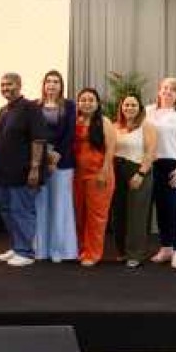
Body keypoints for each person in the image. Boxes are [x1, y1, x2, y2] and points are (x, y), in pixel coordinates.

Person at [0, 73, 47, 267]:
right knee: (6, 211)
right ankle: (16, 247)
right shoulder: (2, 110)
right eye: (3, 85)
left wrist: (35, 168)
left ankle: (26, 252)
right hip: (1, 173)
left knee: (21, 211)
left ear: (19, 85)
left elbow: (38, 139)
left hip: (22, 172)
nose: (6, 88)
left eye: (10, 84)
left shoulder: (31, 108)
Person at [146, 77, 176, 269]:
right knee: (161, 207)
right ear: (159, 90)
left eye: (173, 89)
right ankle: (166, 247)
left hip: (175, 165)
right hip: (154, 165)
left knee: (174, 206)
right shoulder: (149, 110)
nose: (168, 91)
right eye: (165, 88)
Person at [34, 70, 79, 262]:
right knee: (40, 205)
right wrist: (44, 158)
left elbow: (70, 134)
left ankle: (59, 251)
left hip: (63, 162)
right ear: (44, 85)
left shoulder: (69, 106)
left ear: (61, 86)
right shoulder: (35, 106)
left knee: (60, 206)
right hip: (39, 160)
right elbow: (33, 133)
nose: (51, 85)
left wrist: (55, 157)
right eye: (48, 81)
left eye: (56, 82)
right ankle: (41, 249)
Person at [111, 94, 157, 267]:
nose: (129, 108)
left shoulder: (147, 126)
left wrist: (141, 173)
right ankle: (122, 251)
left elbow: (151, 152)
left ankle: (135, 254)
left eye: (133, 105)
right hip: (117, 170)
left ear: (140, 108)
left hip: (137, 170)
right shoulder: (114, 126)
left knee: (137, 214)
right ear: (121, 107)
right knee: (118, 212)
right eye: (126, 105)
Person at [73, 88, 117, 267]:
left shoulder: (104, 122)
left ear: (97, 103)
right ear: (78, 103)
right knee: (79, 215)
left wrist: (104, 172)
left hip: (98, 175)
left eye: (91, 100)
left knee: (96, 217)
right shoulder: (75, 121)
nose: (87, 103)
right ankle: (81, 250)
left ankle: (93, 253)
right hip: (77, 175)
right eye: (83, 100)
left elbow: (111, 149)